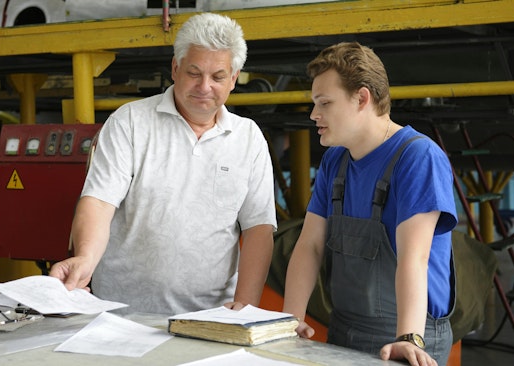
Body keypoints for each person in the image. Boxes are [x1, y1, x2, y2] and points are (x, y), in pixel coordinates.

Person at [49, 13, 277, 315]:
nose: (204, 86)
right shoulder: (129, 122)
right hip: (122, 313)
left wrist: (246, 308)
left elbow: (258, 227)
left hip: (212, 317)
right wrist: (86, 260)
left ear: (234, 79)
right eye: (194, 73)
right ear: (175, 67)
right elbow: (99, 202)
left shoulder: (248, 138)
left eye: (218, 77)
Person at [282, 42, 458, 366]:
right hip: (344, 330)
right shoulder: (335, 161)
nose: (313, 115)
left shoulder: (418, 158)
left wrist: (408, 339)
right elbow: (309, 246)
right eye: (313, 103)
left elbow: (415, 258)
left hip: (408, 337)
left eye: (324, 103)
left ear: (362, 98)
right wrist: (289, 320)